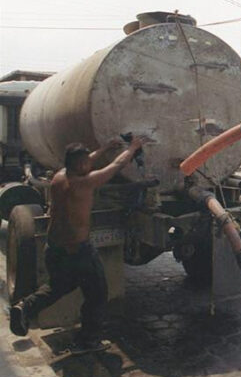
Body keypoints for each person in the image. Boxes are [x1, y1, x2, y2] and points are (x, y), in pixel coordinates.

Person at [9, 136, 150, 354]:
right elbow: (116, 165)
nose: (89, 163)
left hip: (54, 247)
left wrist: (105, 148)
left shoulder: (59, 176)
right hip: (78, 250)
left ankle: (25, 306)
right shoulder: (84, 182)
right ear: (78, 165)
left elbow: (87, 161)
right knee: (97, 294)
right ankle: (88, 340)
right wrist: (133, 147)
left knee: (59, 286)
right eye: (84, 162)